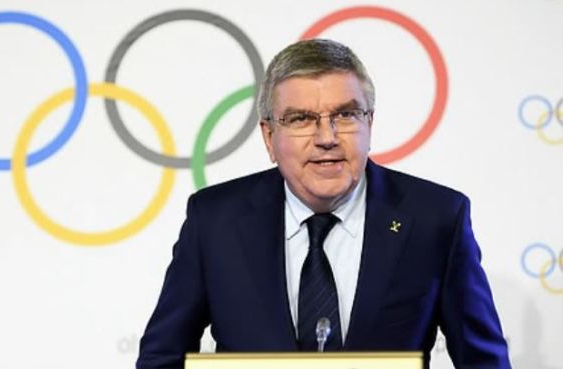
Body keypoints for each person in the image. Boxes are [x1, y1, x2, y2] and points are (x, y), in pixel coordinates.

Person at [136, 39, 511, 369]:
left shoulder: (436, 218)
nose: (326, 138)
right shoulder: (214, 220)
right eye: (301, 119)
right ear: (269, 136)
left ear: (370, 125)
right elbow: (161, 358)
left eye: (346, 115)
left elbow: (484, 362)